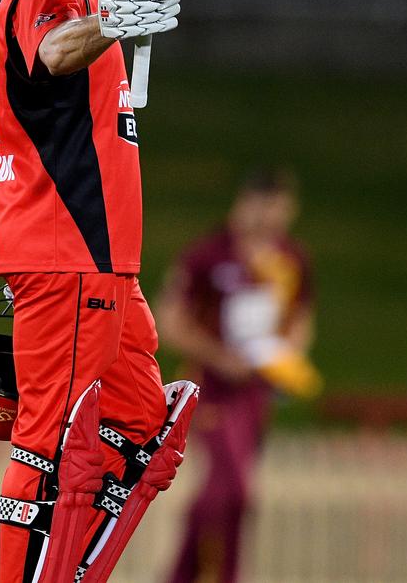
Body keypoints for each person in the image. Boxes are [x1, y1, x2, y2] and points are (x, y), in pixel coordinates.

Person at [0, 0, 198, 583]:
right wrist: (118, 16)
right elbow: (52, 49)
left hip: (107, 267)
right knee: (49, 445)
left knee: (146, 430)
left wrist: (116, 12)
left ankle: (67, 565)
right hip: (66, 255)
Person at [157, 167, 320, 583]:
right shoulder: (208, 255)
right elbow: (171, 319)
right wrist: (218, 356)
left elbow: (300, 319)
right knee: (233, 488)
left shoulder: (291, 259)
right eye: (264, 209)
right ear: (244, 204)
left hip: (256, 390)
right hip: (210, 386)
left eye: (280, 213)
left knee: (227, 491)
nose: (270, 221)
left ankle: (181, 574)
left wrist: (286, 358)